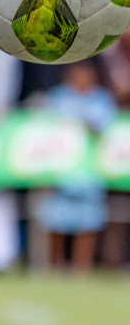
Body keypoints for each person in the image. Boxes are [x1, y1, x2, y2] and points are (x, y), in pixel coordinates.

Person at [40, 57, 116, 272]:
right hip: (59, 171)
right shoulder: (57, 97)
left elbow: (103, 129)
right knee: (54, 220)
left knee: (88, 222)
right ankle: (53, 267)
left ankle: (81, 269)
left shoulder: (101, 98)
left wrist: (79, 122)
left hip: (89, 171)